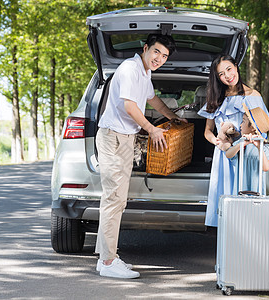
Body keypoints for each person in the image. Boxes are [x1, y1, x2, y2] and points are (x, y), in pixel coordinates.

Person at [95, 33, 186, 279]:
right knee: (114, 199)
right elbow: (129, 106)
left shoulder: (145, 74)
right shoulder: (129, 69)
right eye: (156, 52)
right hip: (113, 137)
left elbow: (153, 100)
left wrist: (172, 117)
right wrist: (152, 128)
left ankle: (105, 258)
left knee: (117, 199)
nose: (159, 58)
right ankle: (108, 260)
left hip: (125, 138)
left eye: (164, 56)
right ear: (146, 48)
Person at [197, 54, 269, 228]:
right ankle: (226, 242)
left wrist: (250, 141)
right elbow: (207, 131)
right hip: (223, 155)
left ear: (236, 67)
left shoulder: (253, 95)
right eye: (221, 74)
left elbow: (263, 129)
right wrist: (216, 141)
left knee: (245, 199)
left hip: (246, 154)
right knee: (224, 199)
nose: (227, 76)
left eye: (229, 69)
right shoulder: (215, 99)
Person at [225, 104, 269, 195]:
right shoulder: (242, 143)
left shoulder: (266, 147)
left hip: (258, 189)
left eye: (243, 121)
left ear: (252, 127)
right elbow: (228, 154)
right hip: (241, 187)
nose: (240, 125)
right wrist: (241, 144)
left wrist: (259, 147)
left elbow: (266, 167)